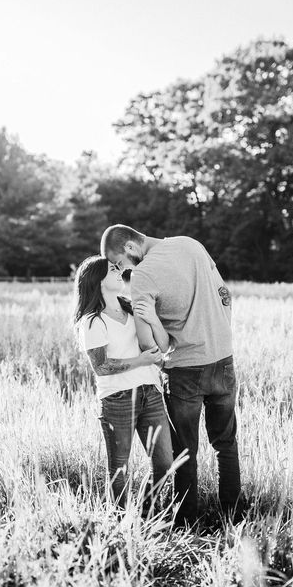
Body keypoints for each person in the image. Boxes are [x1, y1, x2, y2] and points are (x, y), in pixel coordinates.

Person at [100, 225, 242, 526]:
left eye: (118, 264)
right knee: (226, 443)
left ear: (128, 248)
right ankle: (233, 515)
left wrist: (162, 359)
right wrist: (221, 333)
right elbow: (225, 295)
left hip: (184, 369)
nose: (121, 271)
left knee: (184, 450)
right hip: (223, 359)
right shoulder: (191, 244)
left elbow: (148, 344)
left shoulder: (142, 276)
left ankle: (187, 522)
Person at [73, 255, 174, 512]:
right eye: (112, 270)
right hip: (117, 398)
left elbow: (154, 345)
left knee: (164, 462)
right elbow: (102, 366)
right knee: (119, 469)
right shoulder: (93, 321)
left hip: (151, 393)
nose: (119, 272)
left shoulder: (130, 307)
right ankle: (121, 522)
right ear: (98, 281)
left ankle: (149, 514)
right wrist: (140, 361)